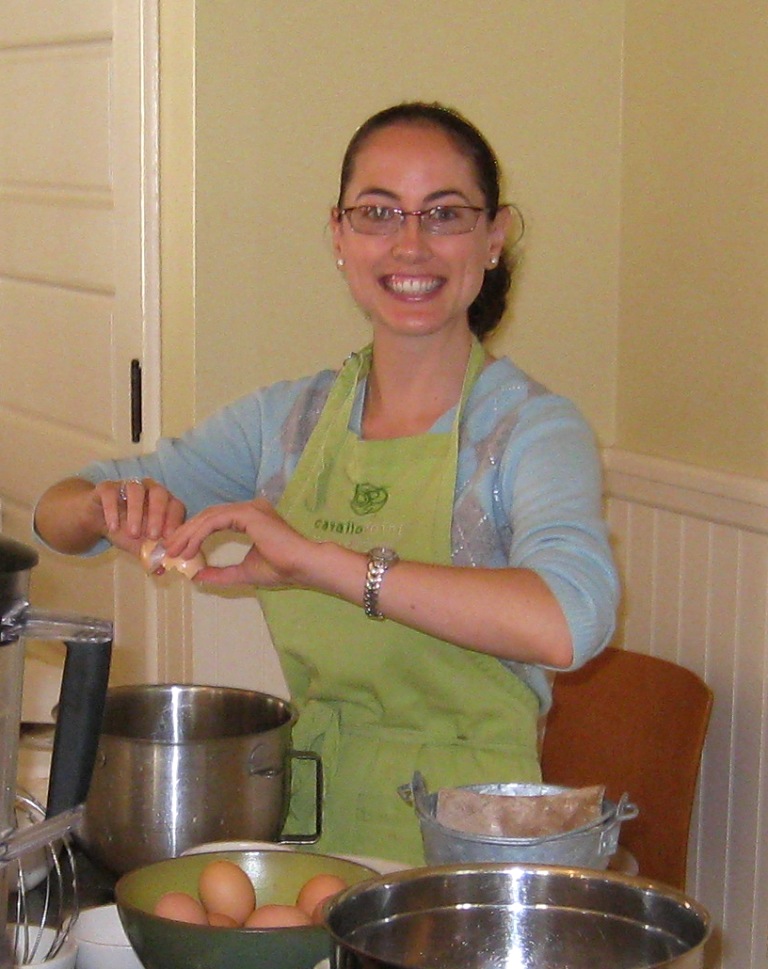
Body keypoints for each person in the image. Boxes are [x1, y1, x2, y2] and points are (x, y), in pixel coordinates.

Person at [34, 101, 619, 865]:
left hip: (471, 853)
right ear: (339, 235)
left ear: (494, 236)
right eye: (378, 213)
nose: (410, 243)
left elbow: (569, 619)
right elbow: (57, 515)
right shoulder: (290, 421)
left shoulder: (530, 432)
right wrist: (107, 503)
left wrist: (321, 562)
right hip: (309, 834)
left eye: (444, 213)